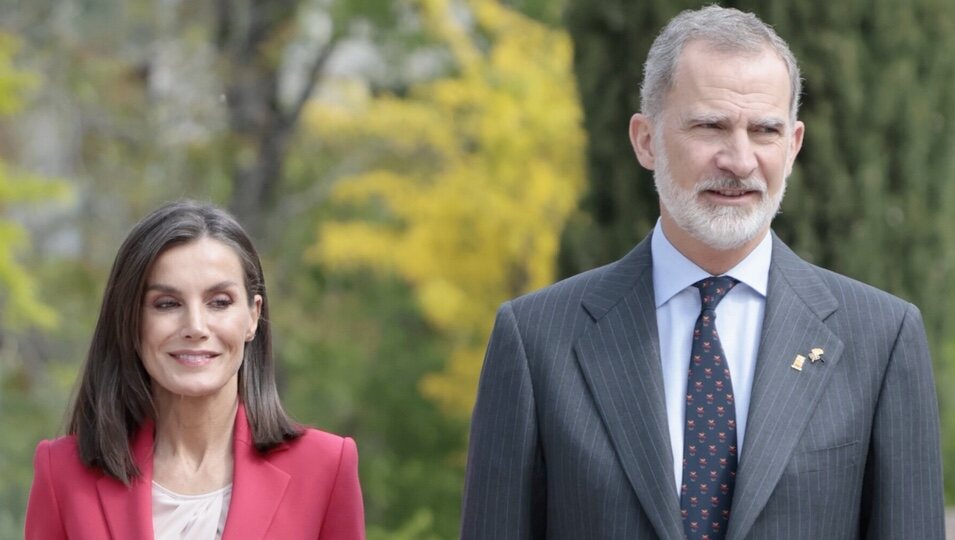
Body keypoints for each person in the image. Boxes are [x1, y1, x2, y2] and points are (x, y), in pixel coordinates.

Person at [461, 6, 943, 540]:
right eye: (711, 126)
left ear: (794, 144)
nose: (739, 160)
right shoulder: (536, 341)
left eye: (764, 130)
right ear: (646, 140)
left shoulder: (881, 339)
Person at [25, 200, 365, 539]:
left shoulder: (326, 468)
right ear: (130, 320)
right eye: (167, 304)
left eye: (219, 302)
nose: (195, 326)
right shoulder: (63, 474)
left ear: (252, 316)